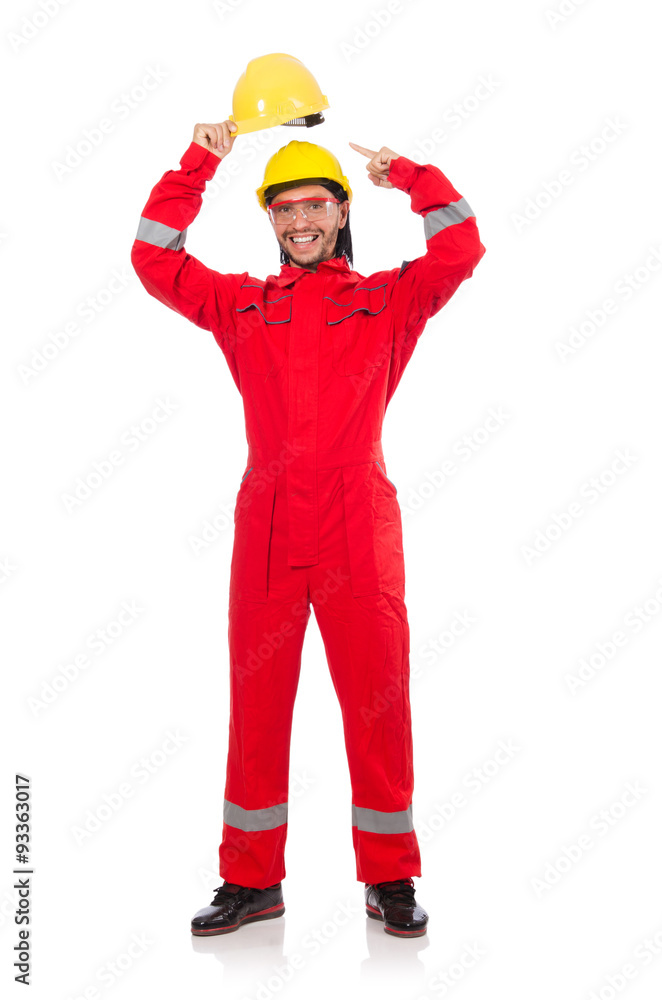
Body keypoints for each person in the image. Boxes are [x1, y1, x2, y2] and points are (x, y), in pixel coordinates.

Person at [131, 119, 486, 939]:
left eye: (315, 206)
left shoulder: (390, 300)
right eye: (284, 210)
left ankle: (390, 878)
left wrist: (409, 172)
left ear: (340, 212)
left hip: (359, 528)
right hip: (267, 534)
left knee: (377, 703)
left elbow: (462, 246)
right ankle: (250, 880)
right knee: (256, 704)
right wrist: (199, 162)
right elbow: (153, 256)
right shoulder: (242, 305)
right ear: (270, 220)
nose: (300, 222)